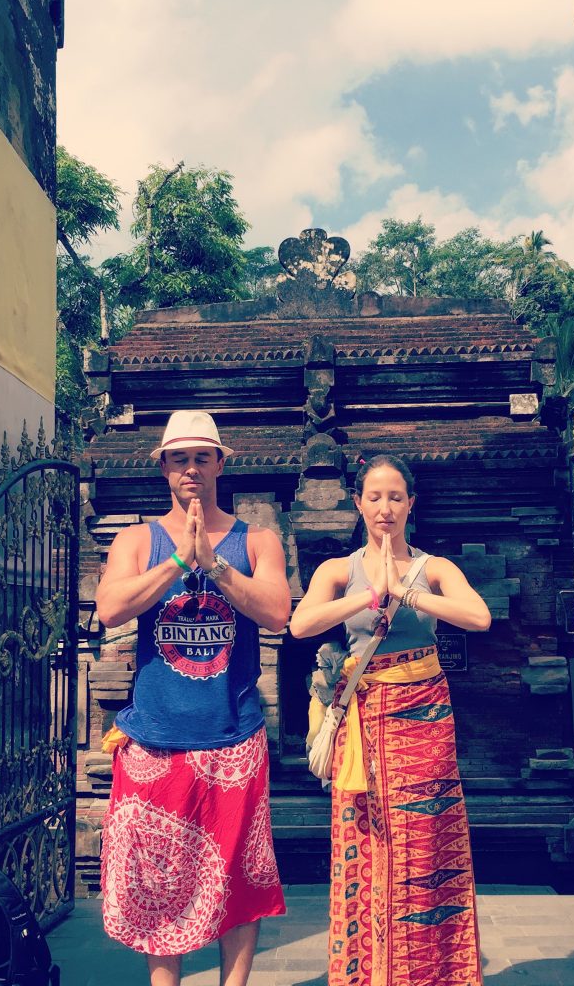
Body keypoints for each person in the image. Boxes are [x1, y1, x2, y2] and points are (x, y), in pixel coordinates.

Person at [95, 410, 291, 986]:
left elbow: (279, 612)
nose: (191, 469)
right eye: (179, 458)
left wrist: (215, 564)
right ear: (162, 467)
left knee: (240, 870)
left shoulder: (257, 540)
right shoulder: (137, 539)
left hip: (233, 734)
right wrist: (181, 559)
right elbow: (110, 609)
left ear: (220, 464)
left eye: (202, 457)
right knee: (158, 874)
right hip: (155, 735)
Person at [290, 454, 492, 986]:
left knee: (424, 837)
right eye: (374, 497)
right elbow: (300, 623)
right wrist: (368, 594)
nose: (385, 508)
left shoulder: (435, 567)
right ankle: (368, 972)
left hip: (423, 713)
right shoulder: (338, 570)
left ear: (411, 504)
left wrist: (405, 591)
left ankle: (430, 971)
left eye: (395, 497)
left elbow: (479, 616)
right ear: (358, 504)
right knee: (363, 836)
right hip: (362, 714)